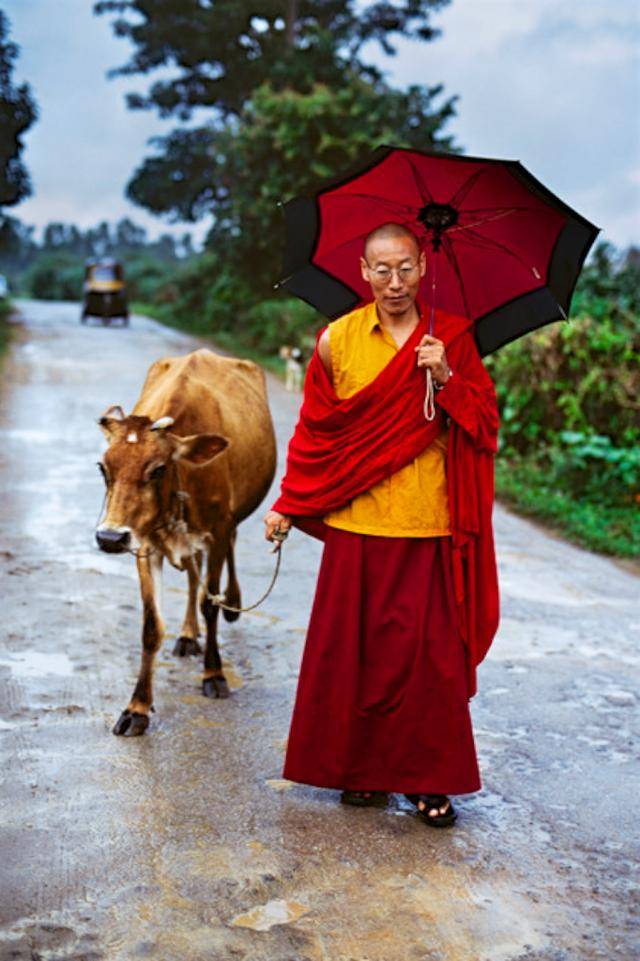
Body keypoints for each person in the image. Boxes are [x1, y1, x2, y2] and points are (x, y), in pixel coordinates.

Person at [264, 222, 500, 827]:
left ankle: (426, 780)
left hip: (428, 520)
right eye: (381, 270)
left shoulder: (451, 338)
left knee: (428, 664)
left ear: (424, 267)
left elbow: (485, 425)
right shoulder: (336, 342)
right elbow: (317, 433)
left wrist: (445, 376)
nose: (394, 282)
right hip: (358, 520)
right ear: (363, 273)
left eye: (405, 269)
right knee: (354, 655)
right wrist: (289, 502)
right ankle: (359, 773)